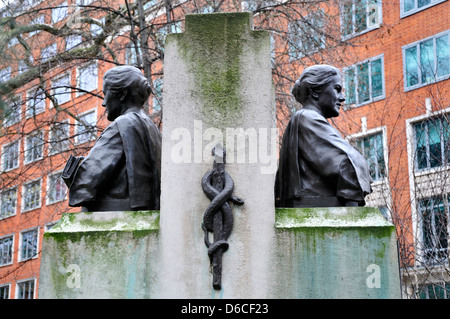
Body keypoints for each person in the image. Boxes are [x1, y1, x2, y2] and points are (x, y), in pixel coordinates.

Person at [64, 65, 162, 212]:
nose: (104, 103)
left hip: (116, 214)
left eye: (106, 94)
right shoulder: (152, 128)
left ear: (121, 94)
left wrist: (73, 172)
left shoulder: (122, 124)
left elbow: (87, 180)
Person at [275, 65, 372, 208]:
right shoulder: (307, 118)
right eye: (337, 89)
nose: (342, 97)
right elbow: (348, 163)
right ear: (315, 91)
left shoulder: (304, 118)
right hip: (315, 209)